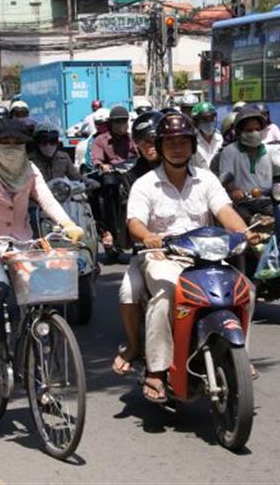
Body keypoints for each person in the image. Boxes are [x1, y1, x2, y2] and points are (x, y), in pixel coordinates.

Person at [122, 112, 258, 402]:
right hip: (162, 257)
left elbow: (225, 211)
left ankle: (240, 354)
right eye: (170, 142)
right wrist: (147, 236)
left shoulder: (206, 180)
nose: (178, 147)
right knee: (165, 296)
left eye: (183, 141)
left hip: (205, 256)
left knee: (246, 289)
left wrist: (244, 233)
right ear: (159, 147)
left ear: (193, 146)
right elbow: (134, 222)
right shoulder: (145, 184)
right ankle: (157, 371)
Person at [0, 118, 84, 355]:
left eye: (17, 143)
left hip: (24, 243)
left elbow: (47, 199)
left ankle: (38, 343)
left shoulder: (30, 170)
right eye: (5, 142)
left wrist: (68, 223)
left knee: (45, 290)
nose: (11, 147)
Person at [112, 110, 165, 376]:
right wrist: (145, 237)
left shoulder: (192, 169)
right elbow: (132, 222)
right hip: (149, 252)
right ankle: (134, 346)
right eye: (145, 142)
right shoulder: (134, 179)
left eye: (156, 140)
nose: (151, 146)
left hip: (191, 250)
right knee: (128, 291)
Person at [219, 106, 280, 221]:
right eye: (249, 130)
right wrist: (234, 190)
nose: (254, 133)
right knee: (242, 226)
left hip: (267, 201)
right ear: (239, 132)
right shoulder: (229, 152)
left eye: (257, 129)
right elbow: (227, 177)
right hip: (242, 203)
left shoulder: (270, 150)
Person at [91, 105, 137, 248]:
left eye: (125, 121)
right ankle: (107, 229)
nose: (122, 125)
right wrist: (103, 165)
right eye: (119, 122)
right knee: (106, 188)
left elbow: (139, 153)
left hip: (129, 174)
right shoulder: (100, 140)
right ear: (111, 123)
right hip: (111, 176)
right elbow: (97, 159)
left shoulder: (131, 138)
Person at [191, 101, 222, 169]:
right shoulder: (192, 143)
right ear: (196, 122)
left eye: (211, 119)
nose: (209, 123)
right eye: (204, 120)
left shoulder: (221, 140)